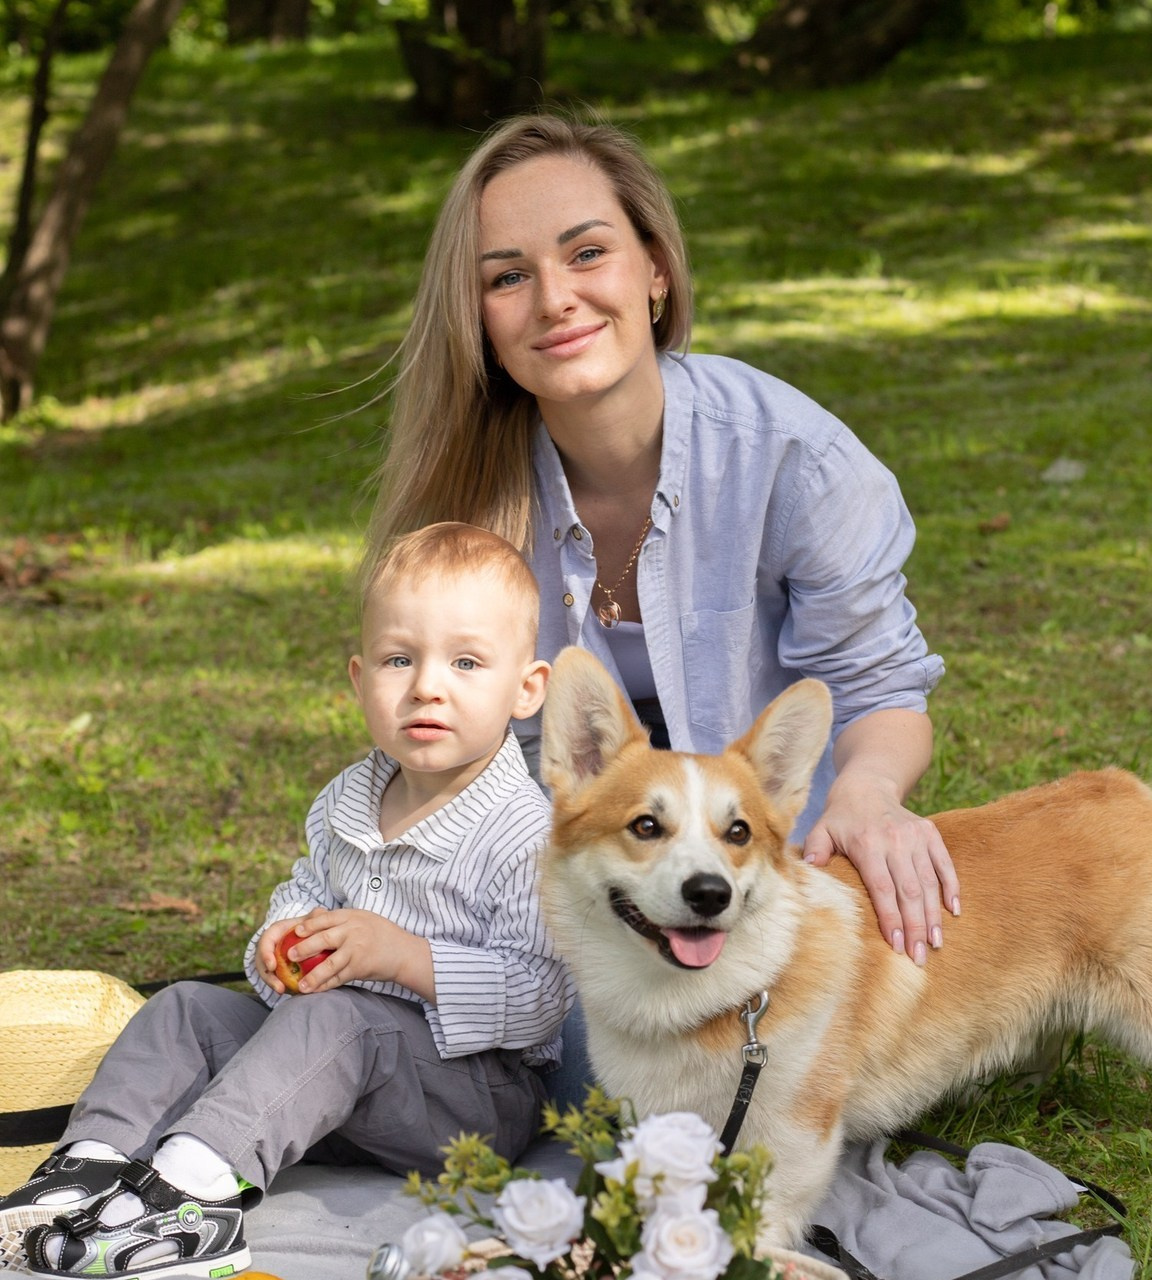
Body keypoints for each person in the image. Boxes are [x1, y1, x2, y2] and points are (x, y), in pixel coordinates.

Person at [362, 111, 958, 972]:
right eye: (507, 277)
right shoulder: (465, 506)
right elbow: (447, 738)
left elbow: (878, 686)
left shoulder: (798, 461)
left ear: (657, 270)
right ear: (477, 318)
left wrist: (868, 795)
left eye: (588, 252)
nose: (555, 298)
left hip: (761, 885)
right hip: (553, 881)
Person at [0, 522, 571, 1280]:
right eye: (400, 660)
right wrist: (278, 944)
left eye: (467, 662)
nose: (427, 685)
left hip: (472, 1104)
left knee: (342, 1019)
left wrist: (402, 958)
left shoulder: (527, 832)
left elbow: (541, 998)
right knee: (187, 1009)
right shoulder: (347, 800)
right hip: (333, 1091)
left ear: (526, 688)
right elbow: (298, 898)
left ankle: (189, 1198)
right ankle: (90, 1167)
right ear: (359, 679)